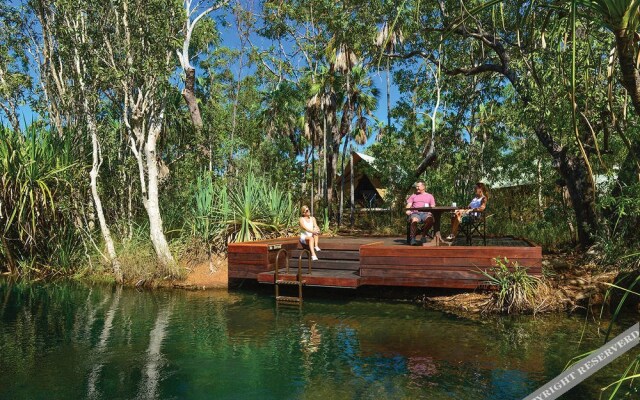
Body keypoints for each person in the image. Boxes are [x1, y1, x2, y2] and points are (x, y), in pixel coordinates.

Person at [405, 181, 436, 246]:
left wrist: (431, 212)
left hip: (426, 213)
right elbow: (408, 205)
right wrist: (407, 210)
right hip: (415, 213)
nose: (417, 188)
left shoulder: (430, 196)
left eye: (418, 186)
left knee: (430, 220)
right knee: (414, 220)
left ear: (423, 187)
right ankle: (413, 239)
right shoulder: (413, 195)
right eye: (416, 186)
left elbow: (433, 206)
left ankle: (423, 236)